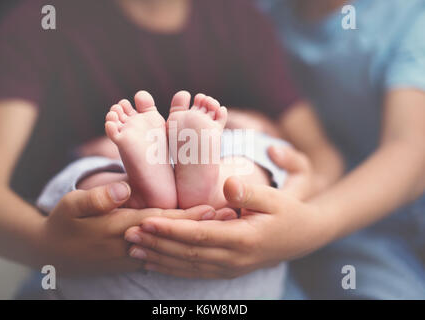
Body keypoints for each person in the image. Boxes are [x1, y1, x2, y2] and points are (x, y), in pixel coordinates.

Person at [0, 0, 342, 299]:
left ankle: (147, 192)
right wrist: (46, 243)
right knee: (250, 165)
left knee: (99, 175)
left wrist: (301, 199)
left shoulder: (239, 20)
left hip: (128, 247)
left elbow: (322, 157)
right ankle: (207, 188)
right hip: (98, 251)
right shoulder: (38, 25)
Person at [125, 0, 425, 299]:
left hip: (369, 223)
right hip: (268, 200)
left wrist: (310, 221)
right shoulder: (261, 11)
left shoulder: (409, 23)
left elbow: (411, 153)